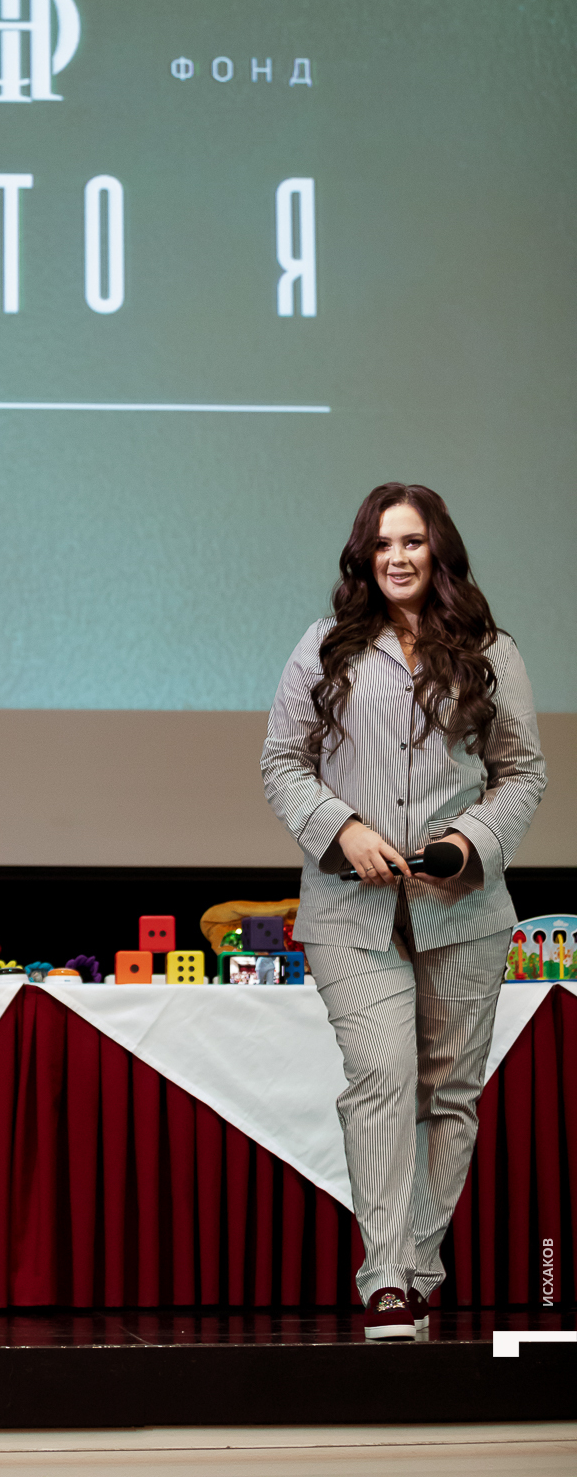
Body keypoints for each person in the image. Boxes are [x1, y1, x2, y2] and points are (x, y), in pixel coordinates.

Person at [261, 484, 546, 1340]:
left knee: (449, 1093)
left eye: (412, 541)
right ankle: (386, 1278)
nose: (397, 557)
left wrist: (470, 841)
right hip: (351, 913)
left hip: (463, 909)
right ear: (364, 555)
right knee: (382, 1077)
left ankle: (419, 1269)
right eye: (382, 544)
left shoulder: (492, 652)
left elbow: (522, 772)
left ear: (438, 550)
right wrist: (342, 828)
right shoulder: (324, 647)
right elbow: (282, 763)